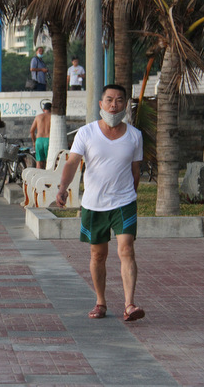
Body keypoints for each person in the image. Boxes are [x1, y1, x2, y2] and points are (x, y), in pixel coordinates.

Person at [56, 84, 145, 322]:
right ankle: (101, 302)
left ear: (125, 104)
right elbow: (72, 163)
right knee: (98, 255)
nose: (113, 105)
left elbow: (135, 171)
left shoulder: (135, 135)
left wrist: (129, 195)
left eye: (118, 100)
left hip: (124, 202)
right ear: (100, 105)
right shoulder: (86, 133)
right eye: (109, 100)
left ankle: (129, 304)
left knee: (126, 249)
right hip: (94, 204)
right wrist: (63, 188)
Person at [30, 102, 52, 169]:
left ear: (43, 109)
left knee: (39, 162)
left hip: (39, 140)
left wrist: (34, 142)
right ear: (51, 109)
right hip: (48, 139)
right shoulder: (53, 117)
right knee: (49, 161)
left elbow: (31, 131)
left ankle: (37, 178)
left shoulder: (38, 117)